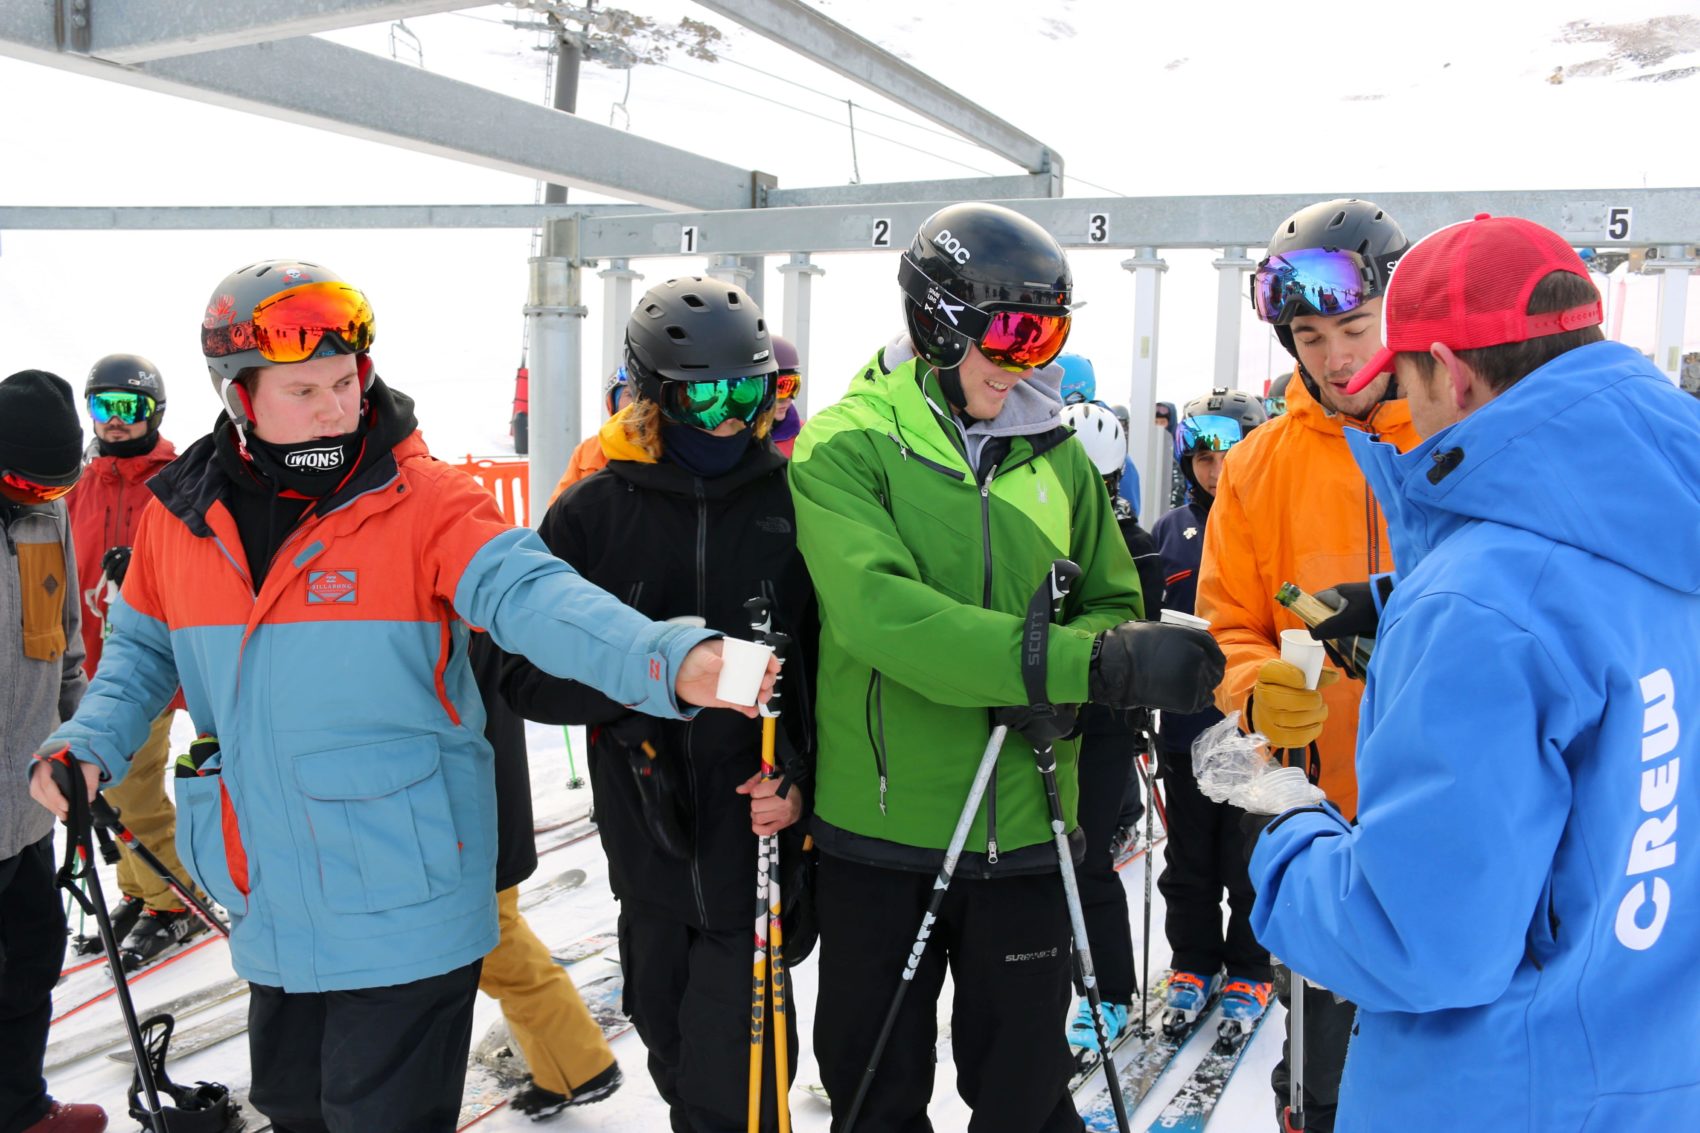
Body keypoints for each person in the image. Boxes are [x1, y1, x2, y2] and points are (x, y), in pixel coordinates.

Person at [27, 260, 772, 1133]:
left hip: (406, 900)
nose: (336, 407)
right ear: (238, 396)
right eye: (304, 390)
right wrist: (91, 741)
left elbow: (534, 595)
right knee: (298, 1109)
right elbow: (145, 650)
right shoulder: (182, 517)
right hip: (270, 898)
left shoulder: (424, 503)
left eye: (346, 382)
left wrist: (668, 656)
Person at [1245, 214, 1700, 1130]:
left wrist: (1291, 838)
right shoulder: (1667, 515)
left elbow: (1420, 939)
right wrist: (1404, 594)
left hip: (1503, 1091)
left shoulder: (1482, 604)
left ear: (1447, 371)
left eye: (1403, 374)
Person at [789, 201, 1224, 1133]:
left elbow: (1113, 597)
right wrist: (1072, 663)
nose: (1033, 361)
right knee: (876, 1091)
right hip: (883, 826)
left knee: (1026, 1094)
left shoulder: (1056, 452)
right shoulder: (846, 444)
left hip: (1026, 819)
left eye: (1053, 335)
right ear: (941, 320)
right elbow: (887, 621)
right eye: (1019, 332)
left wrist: (1102, 658)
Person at [503, 275, 816, 1133]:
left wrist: (798, 780)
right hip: (648, 838)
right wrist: (648, 691)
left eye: (747, 389)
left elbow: (834, 674)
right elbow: (519, 670)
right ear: (652, 394)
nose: (725, 414)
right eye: (701, 392)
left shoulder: (796, 507)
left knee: (740, 1089)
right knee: (671, 1044)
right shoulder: (592, 515)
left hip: (753, 846)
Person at [1195, 197, 1421, 1132]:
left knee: (1445, 1052)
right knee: (1323, 1063)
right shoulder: (1256, 467)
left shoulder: (1461, 433)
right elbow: (1227, 628)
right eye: (1310, 333)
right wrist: (1257, 691)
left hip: (1453, 810)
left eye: (1356, 328)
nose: (1335, 356)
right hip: (1322, 815)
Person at [63, 353, 206, 965]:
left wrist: (145, 567)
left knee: (131, 786)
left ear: (155, 412)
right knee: (102, 790)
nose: (116, 422)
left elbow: (203, 559)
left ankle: (179, 900)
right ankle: (141, 890)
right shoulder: (79, 483)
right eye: (104, 407)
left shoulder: (174, 479)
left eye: (131, 408)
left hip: (148, 661)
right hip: (88, 662)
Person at [0, 369, 106, 1132]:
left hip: (29, 803)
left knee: (34, 964)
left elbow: (64, 648)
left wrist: (83, 742)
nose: (41, 499)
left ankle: (21, 1106)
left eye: (55, 487)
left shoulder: (47, 517)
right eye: (24, 485)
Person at [1148, 389, 1272, 1037]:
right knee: (1190, 858)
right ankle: (1193, 958)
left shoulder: (1269, 522)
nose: (1216, 471)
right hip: (1187, 728)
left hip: (1252, 730)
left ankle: (1251, 963)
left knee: (1247, 858)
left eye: (1229, 457)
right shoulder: (1171, 532)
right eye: (1203, 458)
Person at [468, 631, 623, 1119]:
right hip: (475, 801)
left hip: (468, 807)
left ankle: (579, 1067)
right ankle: (572, 1067)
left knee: (495, 942)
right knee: (495, 940)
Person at [1055, 400, 1160, 1052]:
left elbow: (1135, 641)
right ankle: (1056, 981)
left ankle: (1108, 991)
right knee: (1041, 861)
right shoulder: (1037, 524)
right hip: (1045, 717)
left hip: (1101, 725)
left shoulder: (1135, 543)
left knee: (1086, 858)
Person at [549, 367, 631, 502]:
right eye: (630, 394)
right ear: (613, 403)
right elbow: (559, 505)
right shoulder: (588, 450)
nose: (638, 403)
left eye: (644, 395)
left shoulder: (665, 447)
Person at [769, 334, 807, 459]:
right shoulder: (730, 436)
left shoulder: (806, 437)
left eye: (793, 386)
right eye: (781, 388)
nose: (788, 399)